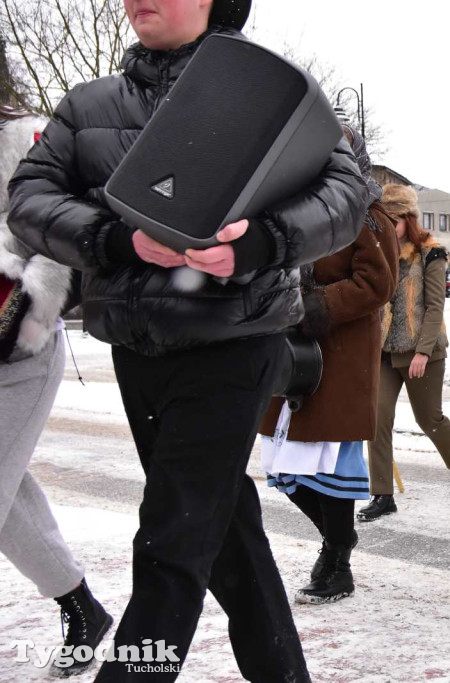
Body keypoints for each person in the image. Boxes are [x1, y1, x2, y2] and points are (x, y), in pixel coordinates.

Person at [7, 1, 372, 679]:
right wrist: (114, 237)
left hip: (236, 337)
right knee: (225, 531)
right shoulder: (87, 105)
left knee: (172, 536)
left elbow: (347, 193)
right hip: (137, 345)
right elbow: (28, 196)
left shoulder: (270, 89)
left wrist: (263, 242)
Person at [258, 125, 398, 603]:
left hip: (339, 360)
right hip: (292, 357)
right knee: (286, 470)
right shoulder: (295, 205)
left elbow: (378, 284)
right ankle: (339, 543)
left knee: (329, 469)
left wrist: (314, 305)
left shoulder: (368, 212)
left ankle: (337, 556)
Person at [1, 110, 112, 679]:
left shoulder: (28, 137)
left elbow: (61, 229)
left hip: (17, 349)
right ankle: (81, 607)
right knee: (8, 492)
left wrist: (28, 300)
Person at [361, 184, 450, 521]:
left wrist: (423, 352)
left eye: (392, 220)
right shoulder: (376, 251)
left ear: (408, 219)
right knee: (377, 421)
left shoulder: (431, 253)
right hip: (384, 350)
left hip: (421, 350)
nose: (385, 227)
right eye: (382, 220)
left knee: (429, 418)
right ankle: (382, 494)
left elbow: (436, 307)